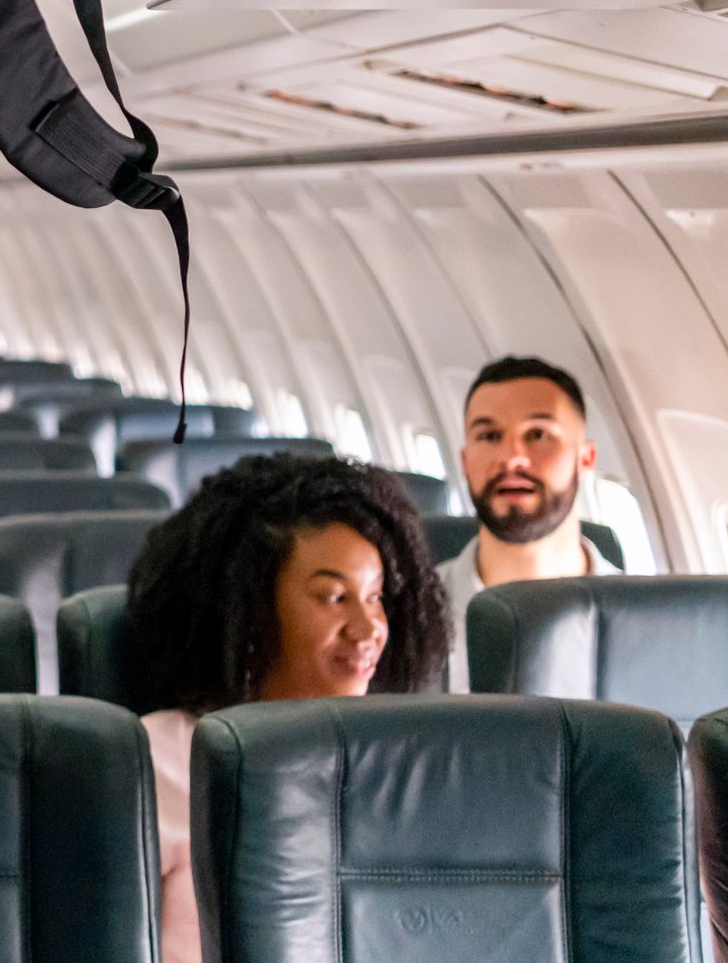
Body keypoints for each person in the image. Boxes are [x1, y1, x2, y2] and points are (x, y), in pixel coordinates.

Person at [126, 454, 450, 963]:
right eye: (334, 597)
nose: (369, 628)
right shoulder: (153, 762)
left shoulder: (396, 762)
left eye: (375, 597)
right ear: (250, 611)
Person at [440, 355, 621, 691]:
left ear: (585, 458)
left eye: (538, 434)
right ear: (464, 461)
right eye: (489, 436)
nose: (512, 459)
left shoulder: (641, 619)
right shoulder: (405, 615)